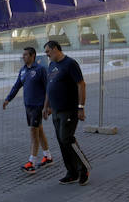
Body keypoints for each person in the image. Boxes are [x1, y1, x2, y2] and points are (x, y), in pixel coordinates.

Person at [42, 40, 90, 186]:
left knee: (66, 138)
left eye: (48, 52)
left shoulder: (70, 64)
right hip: (56, 111)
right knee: (62, 142)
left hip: (69, 110)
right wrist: (46, 107)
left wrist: (81, 107)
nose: (47, 55)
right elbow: (49, 87)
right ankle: (72, 173)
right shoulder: (52, 65)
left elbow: (81, 84)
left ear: (55, 48)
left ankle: (84, 168)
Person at [3, 47, 53, 173]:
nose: (23, 57)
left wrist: (48, 106)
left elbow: (48, 88)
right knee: (39, 130)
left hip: (38, 106)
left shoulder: (40, 70)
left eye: (25, 55)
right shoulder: (23, 70)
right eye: (23, 55)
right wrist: (8, 99)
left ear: (33, 56)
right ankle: (47, 156)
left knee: (33, 132)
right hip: (28, 106)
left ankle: (32, 162)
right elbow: (16, 86)